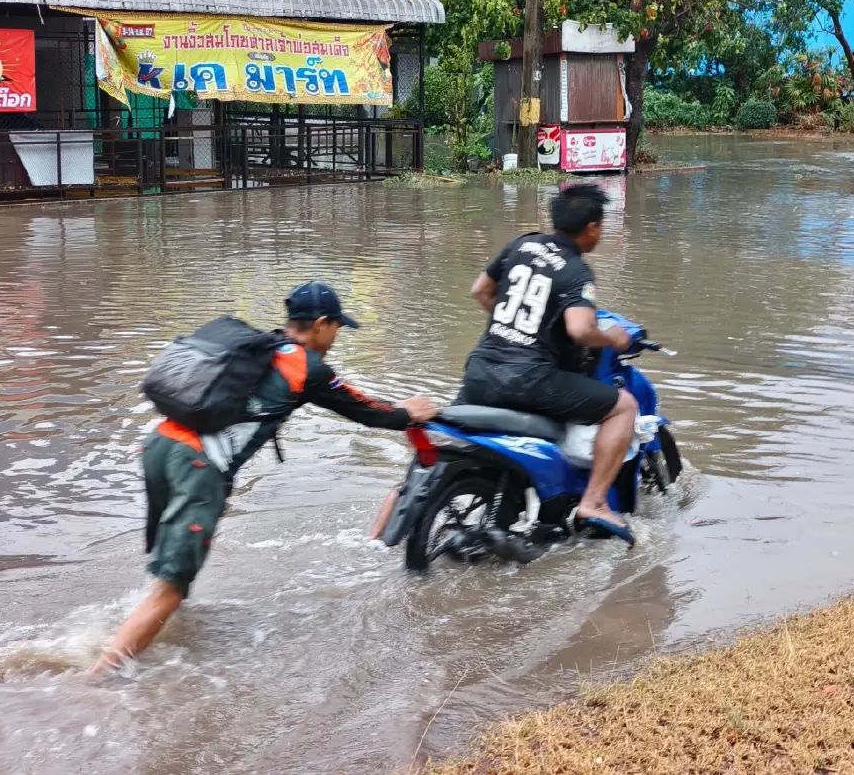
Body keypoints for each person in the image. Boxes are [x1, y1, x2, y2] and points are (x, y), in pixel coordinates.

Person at [90, 282, 437, 675]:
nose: (337, 336)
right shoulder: (308, 367)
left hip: (160, 446)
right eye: (338, 327)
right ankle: (96, 680)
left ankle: (144, 632)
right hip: (197, 465)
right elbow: (369, 410)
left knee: (170, 569)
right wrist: (408, 412)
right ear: (321, 324)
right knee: (171, 585)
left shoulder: (261, 348)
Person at [459, 182, 639, 544]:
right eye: (601, 227)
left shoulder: (520, 244)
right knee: (624, 408)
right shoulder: (577, 271)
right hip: (529, 380)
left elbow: (480, 290)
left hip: (479, 372)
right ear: (591, 229)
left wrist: (517, 327)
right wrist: (614, 338)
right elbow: (580, 328)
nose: (601, 233)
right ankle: (594, 503)